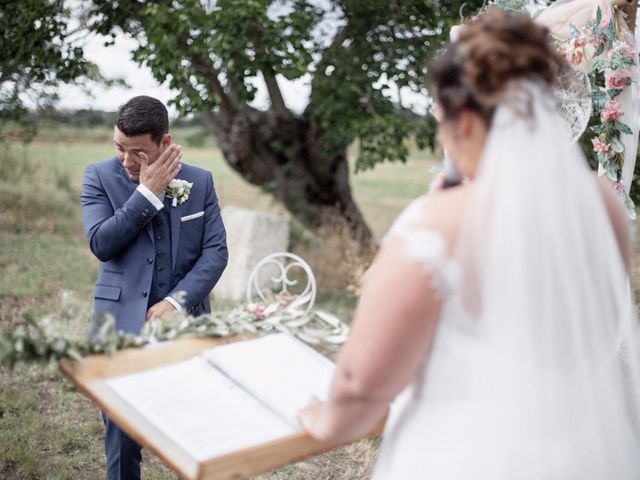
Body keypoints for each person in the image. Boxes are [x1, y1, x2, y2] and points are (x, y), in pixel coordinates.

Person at [298, 10, 640, 479]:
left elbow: (361, 385)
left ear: (462, 123)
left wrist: (323, 420)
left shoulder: (432, 225)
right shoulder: (602, 205)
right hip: (578, 450)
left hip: (466, 455)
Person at [81, 95, 228, 480]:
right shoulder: (98, 177)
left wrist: (177, 303)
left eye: (138, 152)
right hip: (119, 329)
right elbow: (101, 244)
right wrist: (146, 192)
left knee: (194, 435)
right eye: (119, 147)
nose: (126, 161)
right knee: (122, 440)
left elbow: (215, 253)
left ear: (165, 143)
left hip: (186, 328)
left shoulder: (200, 181)